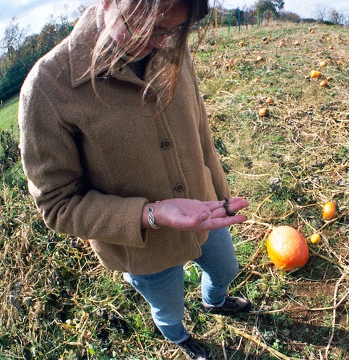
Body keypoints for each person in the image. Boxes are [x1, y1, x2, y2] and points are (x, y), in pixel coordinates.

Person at [18, 0, 251, 359]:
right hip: (144, 250)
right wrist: (151, 214)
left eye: (174, 30)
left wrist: (220, 195)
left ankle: (215, 301)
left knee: (226, 269)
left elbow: (200, 128)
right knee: (169, 308)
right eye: (152, 28)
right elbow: (57, 204)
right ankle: (178, 337)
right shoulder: (48, 89)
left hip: (207, 212)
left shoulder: (171, 43)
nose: (162, 42)